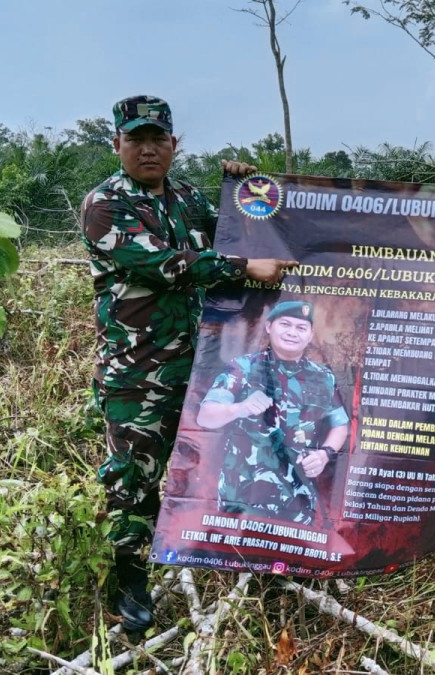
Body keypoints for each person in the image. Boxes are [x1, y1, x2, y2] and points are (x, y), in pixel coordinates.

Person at [80, 94, 297, 634]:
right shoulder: (104, 204)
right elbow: (167, 264)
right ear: (117, 145)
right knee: (133, 477)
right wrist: (246, 266)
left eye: (158, 139)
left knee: (225, 462)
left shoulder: (189, 199)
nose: (148, 149)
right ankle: (129, 578)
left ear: (174, 145)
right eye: (136, 139)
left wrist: (243, 186)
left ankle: (235, 559)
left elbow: (246, 229)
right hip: (138, 372)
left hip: (207, 366)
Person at [196, 300, 348, 525]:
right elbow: (205, 416)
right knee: (237, 554)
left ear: (310, 335)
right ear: (269, 326)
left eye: (300, 328)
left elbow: (340, 424)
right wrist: (239, 408)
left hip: (297, 494)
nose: (292, 333)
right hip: (243, 491)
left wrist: (324, 453)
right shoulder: (243, 368)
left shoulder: (322, 376)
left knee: (291, 554)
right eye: (285, 324)